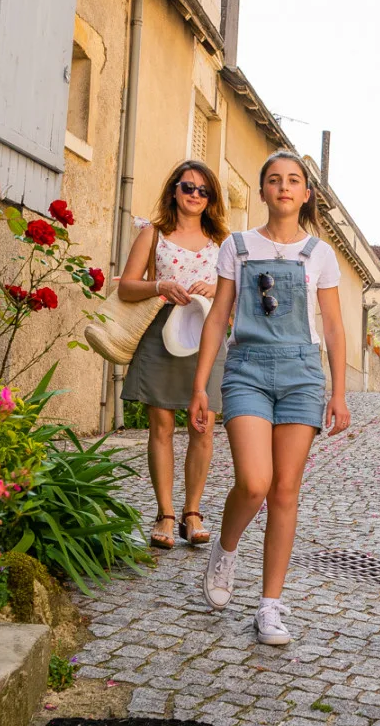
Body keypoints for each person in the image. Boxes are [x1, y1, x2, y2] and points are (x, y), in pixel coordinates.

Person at [191, 151, 351, 645]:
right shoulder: (236, 247)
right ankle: (226, 547)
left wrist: (339, 393)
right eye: (274, 180)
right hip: (248, 371)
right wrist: (201, 385)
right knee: (255, 482)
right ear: (262, 192)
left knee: (285, 490)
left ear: (305, 194)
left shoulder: (320, 254)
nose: (284, 187)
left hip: (303, 373)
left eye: (293, 181)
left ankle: (269, 607)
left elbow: (333, 325)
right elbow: (218, 317)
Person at [117, 159, 226, 550]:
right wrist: (159, 284)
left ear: (211, 199)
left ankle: (192, 512)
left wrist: (216, 291)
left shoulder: (224, 243)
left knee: (203, 427)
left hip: (206, 336)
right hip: (160, 331)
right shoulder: (153, 233)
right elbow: (126, 287)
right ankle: (165, 513)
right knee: (160, 427)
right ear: (174, 190)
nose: (195, 195)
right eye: (188, 187)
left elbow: (238, 296)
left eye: (203, 190)